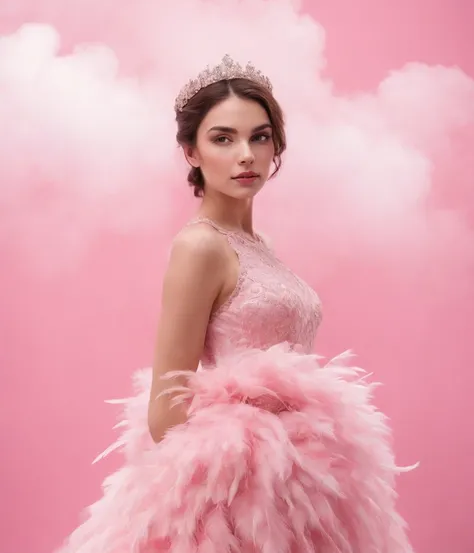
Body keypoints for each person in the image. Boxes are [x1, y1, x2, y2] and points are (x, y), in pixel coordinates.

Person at [57, 55, 415, 553]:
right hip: (237, 501)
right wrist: (237, 498)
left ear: (276, 146)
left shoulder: (257, 244)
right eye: (223, 138)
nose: (245, 154)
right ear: (192, 152)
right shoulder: (200, 247)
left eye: (260, 136)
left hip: (299, 484)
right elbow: (166, 411)